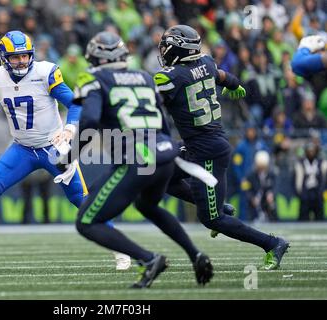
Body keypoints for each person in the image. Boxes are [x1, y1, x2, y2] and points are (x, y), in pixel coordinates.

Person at [0, 31, 130, 268]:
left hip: (53, 147)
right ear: (3, 57)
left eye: (24, 56)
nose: (21, 61)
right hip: (22, 149)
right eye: (15, 57)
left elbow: (74, 103)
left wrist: (70, 130)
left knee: (83, 201)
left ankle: (120, 250)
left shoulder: (45, 72)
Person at [68, 31, 213, 289]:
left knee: (87, 222)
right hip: (164, 152)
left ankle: (148, 260)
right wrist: (170, 149)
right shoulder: (145, 77)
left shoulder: (92, 78)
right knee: (148, 206)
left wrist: (70, 155)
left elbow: (89, 120)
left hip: (137, 158)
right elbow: (163, 120)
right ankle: (195, 254)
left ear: (93, 57)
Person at [155, 25, 289, 270]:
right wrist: (235, 85)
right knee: (159, 173)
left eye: (167, 45)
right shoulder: (205, 62)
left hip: (206, 151)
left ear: (178, 49)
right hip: (200, 145)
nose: (163, 49)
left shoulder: (170, 76)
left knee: (212, 219)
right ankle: (221, 205)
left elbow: (151, 102)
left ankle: (272, 243)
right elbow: (225, 77)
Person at [294, 142, 326, 221]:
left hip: (317, 193)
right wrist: (300, 193)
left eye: (313, 150)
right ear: (306, 152)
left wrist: (322, 191)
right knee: (303, 217)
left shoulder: (320, 162)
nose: (311, 152)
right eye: (309, 151)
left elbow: (324, 179)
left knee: (320, 218)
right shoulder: (301, 163)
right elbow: (295, 180)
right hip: (306, 193)